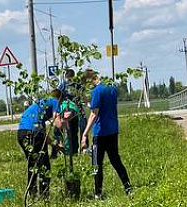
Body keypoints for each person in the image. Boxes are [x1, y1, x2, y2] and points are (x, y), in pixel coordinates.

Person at [81, 69, 133, 200]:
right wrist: (90, 104)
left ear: (89, 81)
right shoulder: (111, 87)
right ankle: (128, 187)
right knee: (116, 160)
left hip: (100, 132)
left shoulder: (97, 91)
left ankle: (98, 193)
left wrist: (85, 134)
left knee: (96, 163)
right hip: (113, 130)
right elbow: (104, 106)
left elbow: (94, 114)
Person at [17, 87, 72, 199]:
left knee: (33, 165)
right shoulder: (55, 101)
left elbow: (43, 136)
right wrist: (66, 120)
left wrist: (55, 145)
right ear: (59, 98)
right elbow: (57, 123)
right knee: (44, 166)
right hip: (33, 134)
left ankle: (32, 194)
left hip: (22, 133)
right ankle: (44, 196)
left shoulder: (40, 106)